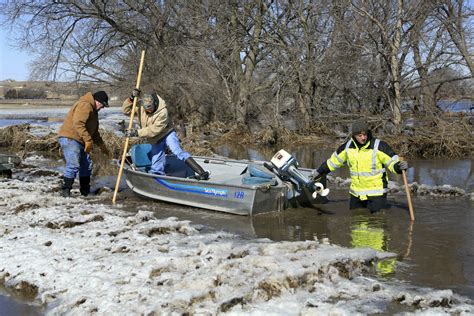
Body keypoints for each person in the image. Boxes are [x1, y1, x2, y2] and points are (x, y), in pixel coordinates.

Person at [311, 119, 408, 213]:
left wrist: (399, 167)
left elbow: (392, 162)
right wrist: (319, 172)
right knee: (355, 222)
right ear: (353, 135)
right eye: (360, 135)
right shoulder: (347, 148)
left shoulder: (379, 146)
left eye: (365, 134)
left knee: (377, 224)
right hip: (356, 194)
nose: (363, 138)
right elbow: (333, 162)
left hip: (377, 195)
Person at [122, 89, 209, 180]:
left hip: (167, 133)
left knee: (177, 151)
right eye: (146, 109)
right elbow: (126, 111)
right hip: (155, 138)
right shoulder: (141, 106)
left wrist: (136, 132)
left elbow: (154, 130)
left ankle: (201, 172)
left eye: (150, 108)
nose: (148, 111)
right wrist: (131, 99)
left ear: (155, 103)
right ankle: (157, 177)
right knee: (156, 163)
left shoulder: (163, 112)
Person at [58, 91, 110, 197]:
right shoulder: (85, 105)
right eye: (103, 105)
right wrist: (87, 140)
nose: (102, 108)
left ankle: (85, 191)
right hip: (70, 138)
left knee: (86, 165)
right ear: (97, 101)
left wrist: (101, 145)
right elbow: (78, 123)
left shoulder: (93, 110)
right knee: (73, 164)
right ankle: (65, 190)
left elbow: (94, 132)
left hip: (80, 140)